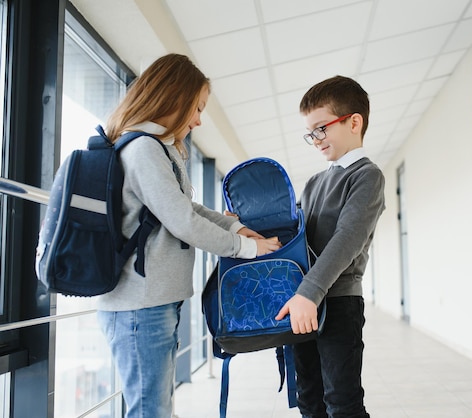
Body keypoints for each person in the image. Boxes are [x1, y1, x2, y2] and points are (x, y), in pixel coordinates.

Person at [96, 53, 281, 418]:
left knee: (158, 407)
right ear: (173, 100)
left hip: (153, 301)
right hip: (139, 306)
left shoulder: (159, 149)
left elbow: (186, 208)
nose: (198, 119)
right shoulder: (144, 149)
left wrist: (235, 226)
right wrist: (247, 248)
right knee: (151, 411)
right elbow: (183, 221)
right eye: (196, 108)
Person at [276, 75, 385, 418]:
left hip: (337, 303)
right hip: (304, 305)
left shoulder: (367, 176)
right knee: (309, 399)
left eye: (321, 128)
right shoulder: (313, 183)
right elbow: (295, 236)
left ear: (354, 122)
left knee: (342, 402)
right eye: (311, 133)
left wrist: (309, 292)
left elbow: (347, 239)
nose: (316, 140)